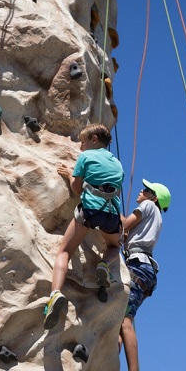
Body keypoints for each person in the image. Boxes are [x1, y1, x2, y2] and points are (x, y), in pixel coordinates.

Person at [43, 123, 126, 330]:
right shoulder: (117, 164)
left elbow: (76, 188)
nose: (80, 147)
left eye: (83, 142)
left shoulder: (86, 158)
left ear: (94, 140)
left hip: (89, 211)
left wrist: (70, 173)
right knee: (115, 246)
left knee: (64, 251)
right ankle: (104, 265)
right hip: (111, 215)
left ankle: (55, 295)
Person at [118, 179, 171, 371]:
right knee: (119, 320)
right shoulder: (156, 219)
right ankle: (110, 363)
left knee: (124, 321)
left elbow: (124, 225)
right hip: (145, 270)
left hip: (138, 266)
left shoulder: (149, 207)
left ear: (154, 198)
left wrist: (104, 201)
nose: (141, 191)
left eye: (146, 190)